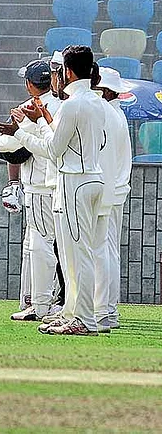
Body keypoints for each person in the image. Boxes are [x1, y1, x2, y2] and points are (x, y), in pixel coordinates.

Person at [8, 45, 105, 336]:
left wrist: (20, 131)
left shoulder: (73, 104)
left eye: (60, 71)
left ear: (68, 72)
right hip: (88, 178)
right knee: (73, 255)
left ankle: (84, 319)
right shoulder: (95, 101)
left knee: (77, 256)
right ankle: (71, 312)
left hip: (75, 181)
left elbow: (52, 149)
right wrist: (41, 120)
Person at [0, 59, 62, 321]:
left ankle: (40, 304)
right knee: (44, 245)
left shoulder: (31, 108)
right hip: (55, 185)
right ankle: (39, 301)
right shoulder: (61, 104)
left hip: (41, 186)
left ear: (30, 84)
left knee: (40, 245)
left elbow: (12, 146)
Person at [92, 67, 132, 331]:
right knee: (108, 252)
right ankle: (108, 310)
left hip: (108, 190)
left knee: (101, 252)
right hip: (116, 189)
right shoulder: (117, 113)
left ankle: (103, 310)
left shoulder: (106, 113)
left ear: (105, 91)